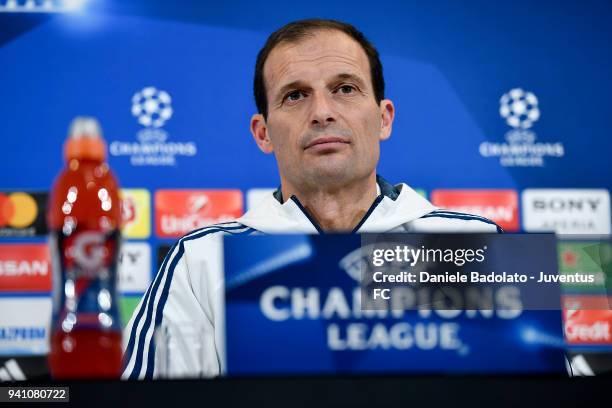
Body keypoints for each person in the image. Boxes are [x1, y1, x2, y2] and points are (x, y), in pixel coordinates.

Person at [122, 18, 502, 380]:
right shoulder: (204, 258)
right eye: (295, 95)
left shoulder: (475, 245)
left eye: (345, 89)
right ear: (263, 133)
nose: (322, 112)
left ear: (384, 118)